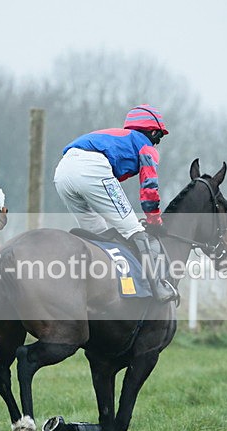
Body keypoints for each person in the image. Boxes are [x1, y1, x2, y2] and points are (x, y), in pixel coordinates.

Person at [53, 104, 177, 303]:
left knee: (98, 235)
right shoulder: (145, 145)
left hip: (62, 172)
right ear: (153, 132)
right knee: (135, 230)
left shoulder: (119, 137)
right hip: (91, 168)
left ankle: (94, 290)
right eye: (159, 137)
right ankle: (158, 287)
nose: (157, 144)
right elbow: (149, 187)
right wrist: (154, 221)